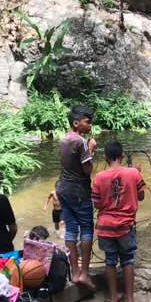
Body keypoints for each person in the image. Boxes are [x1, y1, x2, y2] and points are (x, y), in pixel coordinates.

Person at [91, 141, 145, 302]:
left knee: (110, 261)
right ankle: (130, 301)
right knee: (128, 260)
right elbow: (142, 195)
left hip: (105, 227)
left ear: (105, 157)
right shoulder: (133, 173)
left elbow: (97, 204)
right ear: (122, 156)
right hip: (126, 225)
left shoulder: (98, 177)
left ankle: (113, 298)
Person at [57, 103, 97, 290]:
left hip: (63, 189)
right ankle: (85, 274)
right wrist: (91, 150)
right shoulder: (80, 142)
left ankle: (74, 272)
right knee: (87, 229)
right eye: (87, 122)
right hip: (79, 191)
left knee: (71, 229)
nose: (90, 126)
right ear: (76, 123)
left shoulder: (63, 139)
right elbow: (87, 170)